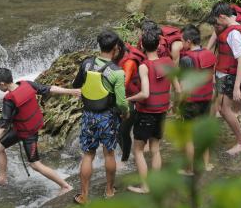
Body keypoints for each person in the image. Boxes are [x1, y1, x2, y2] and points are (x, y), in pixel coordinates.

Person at [0, 68, 77, 194]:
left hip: (28, 133)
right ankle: (2, 178)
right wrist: (72, 91)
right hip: (24, 127)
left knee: (35, 165)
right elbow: (49, 88)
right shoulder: (27, 84)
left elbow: (3, 125)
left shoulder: (9, 99)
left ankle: (65, 186)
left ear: (2, 83)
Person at [72, 30, 129, 204]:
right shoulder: (117, 72)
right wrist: (125, 113)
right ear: (116, 48)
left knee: (88, 155)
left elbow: (77, 85)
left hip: (89, 115)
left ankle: (84, 195)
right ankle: (110, 190)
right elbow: (121, 102)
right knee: (109, 154)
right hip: (108, 117)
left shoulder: (86, 64)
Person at [126, 29, 181, 193]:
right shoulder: (168, 62)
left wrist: (127, 99)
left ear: (142, 45)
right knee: (155, 149)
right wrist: (174, 106)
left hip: (146, 113)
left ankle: (145, 186)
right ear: (159, 45)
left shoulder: (144, 66)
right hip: (162, 111)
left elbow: (145, 94)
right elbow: (178, 89)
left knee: (138, 150)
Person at [209, 2, 241, 155]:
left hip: (228, 76)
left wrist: (237, 87)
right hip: (222, 74)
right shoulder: (229, 26)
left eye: (217, 21)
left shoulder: (234, 33)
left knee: (225, 110)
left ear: (223, 17)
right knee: (221, 108)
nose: (216, 25)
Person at [178, 24, 216, 174]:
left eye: (182, 41)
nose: (181, 44)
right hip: (206, 99)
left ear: (188, 41)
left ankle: (189, 169)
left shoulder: (186, 59)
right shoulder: (208, 54)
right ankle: (206, 164)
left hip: (191, 102)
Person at [207, 4, 241, 78]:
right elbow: (217, 31)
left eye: (218, 25)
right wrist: (207, 50)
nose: (217, 27)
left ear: (222, 17)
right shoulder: (226, 18)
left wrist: (232, 69)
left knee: (238, 83)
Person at [117, 42, 146, 162]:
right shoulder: (120, 58)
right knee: (118, 131)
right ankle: (125, 152)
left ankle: (125, 159)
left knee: (123, 131)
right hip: (123, 97)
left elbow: (123, 84)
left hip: (132, 99)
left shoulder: (129, 63)